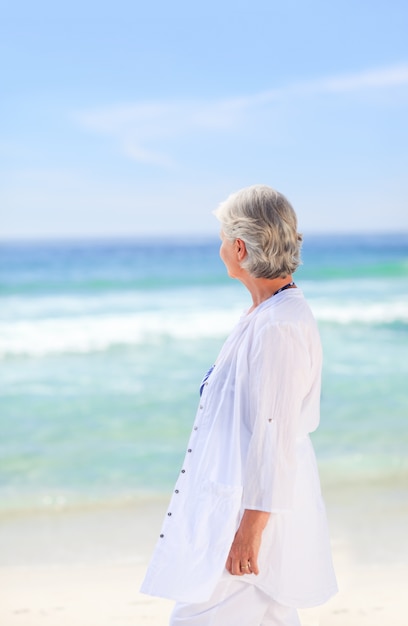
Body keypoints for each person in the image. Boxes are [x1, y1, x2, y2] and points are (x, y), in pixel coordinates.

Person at [140, 185, 338, 625]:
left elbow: (275, 435)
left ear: (240, 247)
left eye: (222, 237)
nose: (219, 247)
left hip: (249, 520)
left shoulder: (278, 327)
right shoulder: (264, 315)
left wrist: (250, 531)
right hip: (238, 510)